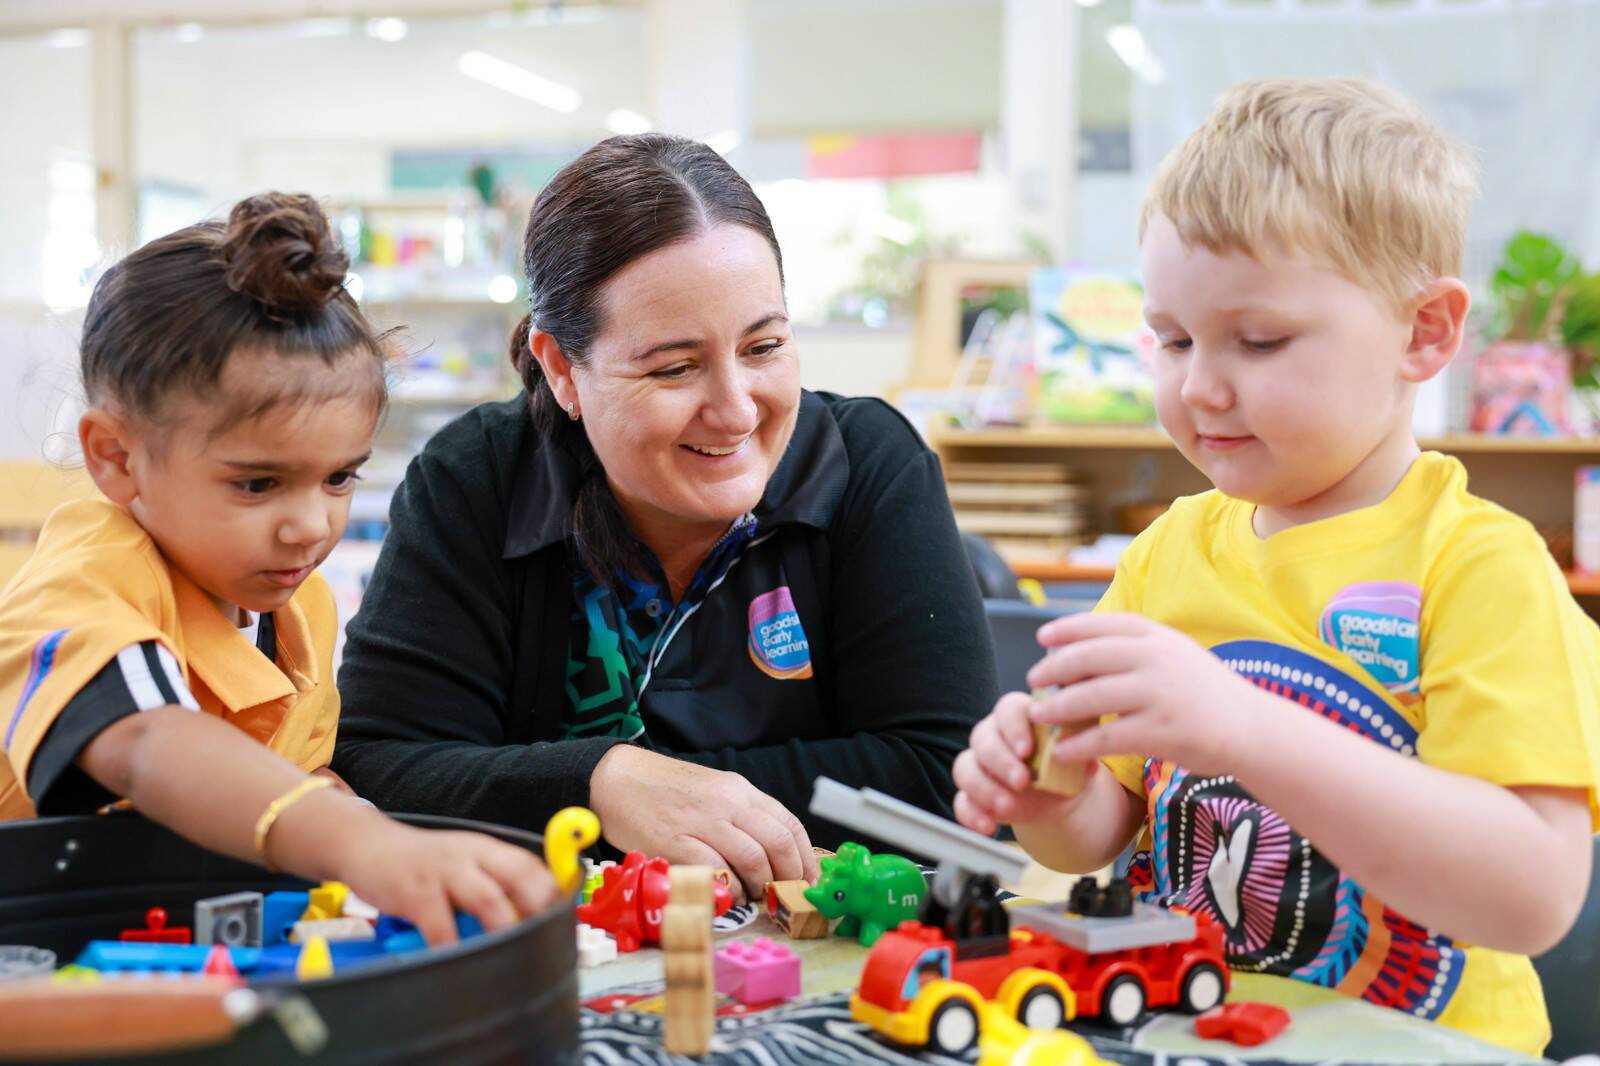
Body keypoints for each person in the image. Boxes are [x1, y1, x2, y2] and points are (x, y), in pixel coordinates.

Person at [952, 80, 1598, 1055]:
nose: (1199, 383)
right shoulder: (1168, 550)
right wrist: (1050, 793)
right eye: (1170, 338)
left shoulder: (1479, 567)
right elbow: (1102, 830)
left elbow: (1530, 898)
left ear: (1423, 331)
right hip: (1186, 1029)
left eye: (1258, 340)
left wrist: (1246, 729)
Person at [333, 134, 996, 900]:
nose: (736, 409)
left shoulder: (867, 467)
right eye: (675, 368)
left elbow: (947, 781)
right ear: (561, 369)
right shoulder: (476, 480)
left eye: (765, 346)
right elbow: (381, 766)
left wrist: (658, 791)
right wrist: (602, 783)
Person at [0, 193, 558, 944]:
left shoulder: (297, 609)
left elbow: (283, 781)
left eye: (339, 477)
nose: (310, 525)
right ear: (116, 456)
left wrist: (355, 816)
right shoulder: (86, 578)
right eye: (257, 483)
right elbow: (149, 743)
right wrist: (362, 842)